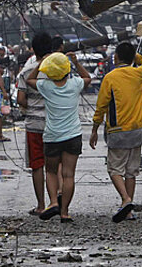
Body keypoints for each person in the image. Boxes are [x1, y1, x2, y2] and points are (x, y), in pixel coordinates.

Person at [90, 41, 142, 223]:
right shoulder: (139, 73)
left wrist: (94, 129)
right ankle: (128, 210)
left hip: (117, 130)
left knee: (114, 169)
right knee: (131, 171)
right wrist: (137, 57)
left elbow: (101, 106)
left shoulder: (110, 77)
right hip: (137, 129)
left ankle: (125, 200)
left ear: (116, 57)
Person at [27, 52, 91, 223]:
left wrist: (41, 64)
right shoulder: (75, 84)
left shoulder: (45, 86)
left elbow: (29, 81)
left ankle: (53, 202)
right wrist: (76, 62)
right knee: (68, 175)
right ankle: (65, 212)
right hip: (73, 135)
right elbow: (87, 77)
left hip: (52, 136)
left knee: (51, 171)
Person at [16, 32, 54, 216]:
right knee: (56, 165)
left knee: (37, 164)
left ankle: (41, 205)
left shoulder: (26, 71)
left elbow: (21, 99)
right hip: (55, 123)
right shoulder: (58, 69)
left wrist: (31, 105)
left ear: (33, 49)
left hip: (34, 124)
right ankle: (58, 203)